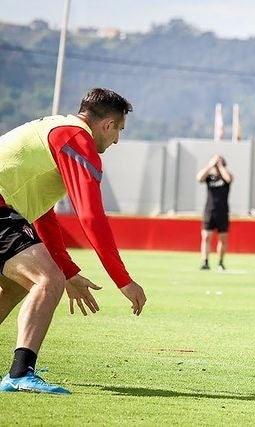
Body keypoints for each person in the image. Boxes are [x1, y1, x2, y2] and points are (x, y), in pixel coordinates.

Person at [0, 88, 147, 395]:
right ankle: (19, 373)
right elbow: (91, 217)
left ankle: (19, 370)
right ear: (107, 124)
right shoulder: (76, 139)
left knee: (18, 283)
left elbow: (43, 215)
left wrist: (68, 270)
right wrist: (123, 280)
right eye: (119, 129)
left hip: (7, 210)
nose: (117, 139)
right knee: (45, 279)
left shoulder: (56, 129)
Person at [196, 154, 232, 271]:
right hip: (209, 211)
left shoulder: (226, 177)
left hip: (222, 212)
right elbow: (199, 178)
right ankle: (205, 262)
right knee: (206, 237)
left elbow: (229, 179)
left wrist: (220, 166)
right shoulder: (209, 177)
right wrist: (210, 165)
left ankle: (220, 263)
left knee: (223, 239)